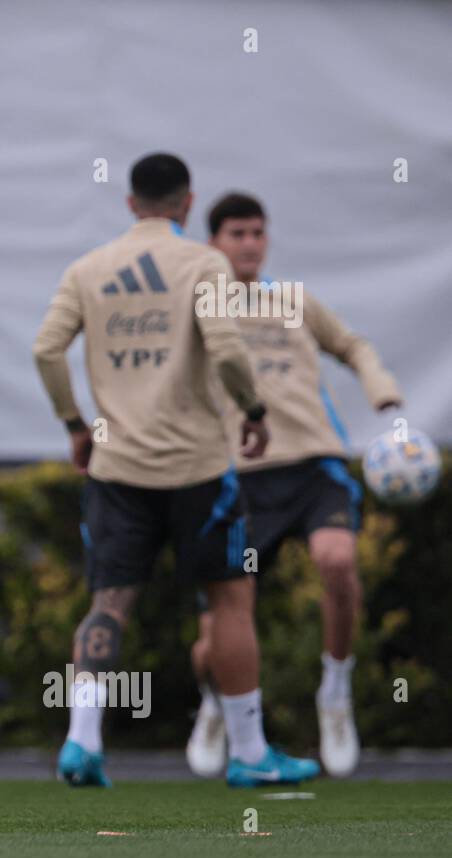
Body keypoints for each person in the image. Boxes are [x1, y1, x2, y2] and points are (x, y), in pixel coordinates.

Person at [32, 153, 319, 788]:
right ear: (188, 204)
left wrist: (75, 426)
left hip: (117, 469)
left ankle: (82, 742)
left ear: (130, 203)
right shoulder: (203, 263)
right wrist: (253, 408)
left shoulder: (87, 269)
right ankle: (248, 752)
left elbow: (46, 349)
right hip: (197, 470)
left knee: (109, 603)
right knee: (229, 602)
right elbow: (224, 347)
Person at [185, 192, 403, 780]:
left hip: (313, 465)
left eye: (258, 232)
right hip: (238, 478)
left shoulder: (294, 301)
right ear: (214, 242)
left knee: (337, 562)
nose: (250, 242)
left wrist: (379, 386)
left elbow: (351, 345)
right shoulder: (200, 306)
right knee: (217, 633)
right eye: (237, 232)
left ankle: (335, 693)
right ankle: (215, 703)